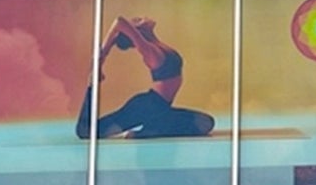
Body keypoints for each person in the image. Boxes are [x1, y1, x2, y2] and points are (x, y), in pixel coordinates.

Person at [77, 15, 215, 139]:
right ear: (136, 31)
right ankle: (91, 86)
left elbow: (119, 31)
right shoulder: (150, 51)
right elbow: (119, 22)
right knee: (87, 131)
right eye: (136, 21)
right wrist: (99, 61)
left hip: (159, 108)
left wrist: (112, 43)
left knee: (205, 122)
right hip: (146, 107)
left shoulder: (157, 45)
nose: (141, 17)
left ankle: (148, 130)